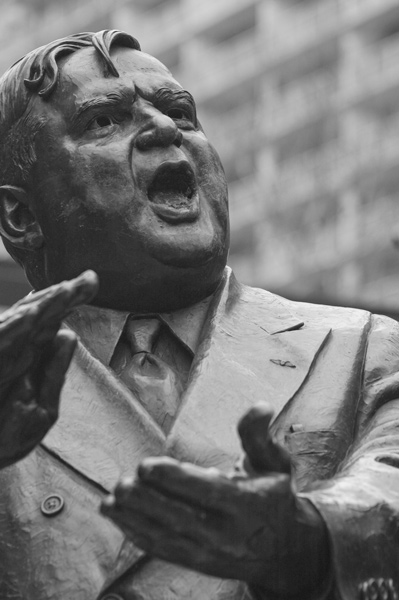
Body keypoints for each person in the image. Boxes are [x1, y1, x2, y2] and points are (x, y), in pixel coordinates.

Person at [0, 30, 398, 600]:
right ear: (20, 215)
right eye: (104, 122)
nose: (164, 129)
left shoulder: (363, 347)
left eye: (180, 112)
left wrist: (312, 536)